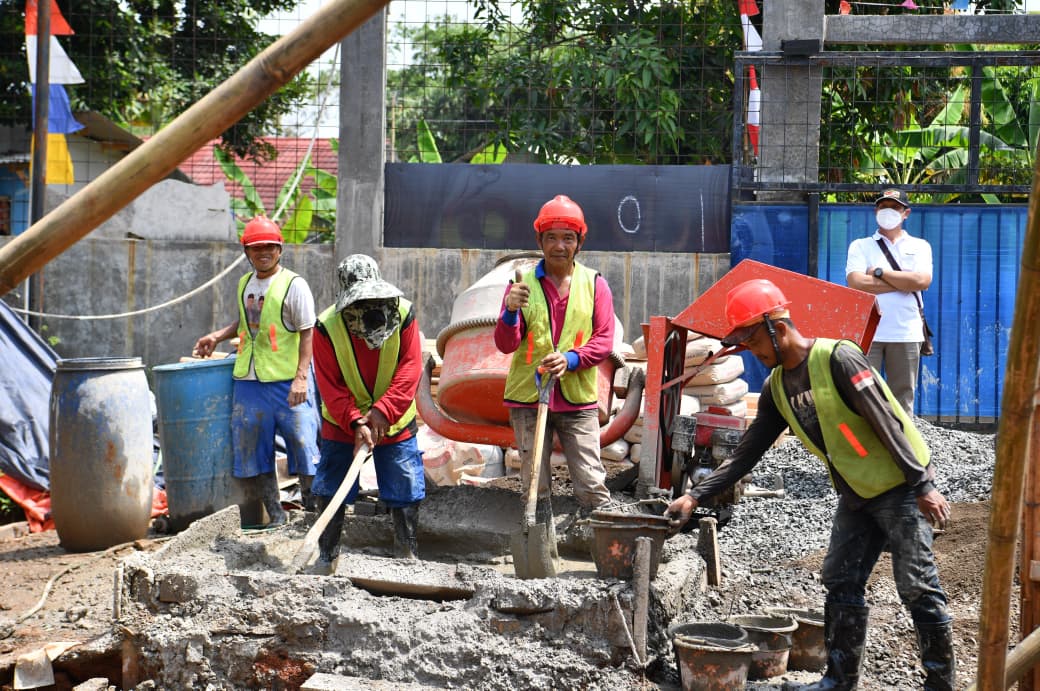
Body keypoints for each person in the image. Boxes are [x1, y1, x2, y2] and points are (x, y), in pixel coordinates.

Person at [665, 278, 954, 691]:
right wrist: (694, 496)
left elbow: (886, 421)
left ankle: (941, 684)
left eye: (753, 341)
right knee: (841, 578)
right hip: (857, 493)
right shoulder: (777, 388)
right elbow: (747, 452)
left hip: (900, 485)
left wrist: (923, 484)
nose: (752, 353)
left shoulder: (839, 358)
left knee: (917, 585)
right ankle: (839, 680)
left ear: (777, 327)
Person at [494, 194, 618, 548]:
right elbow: (505, 344)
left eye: (568, 237)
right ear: (540, 242)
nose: (559, 246)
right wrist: (508, 312)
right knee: (535, 479)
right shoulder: (520, 283)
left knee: (591, 479)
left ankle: (604, 546)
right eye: (551, 237)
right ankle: (541, 548)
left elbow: (604, 340)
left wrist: (571, 359)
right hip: (528, 396)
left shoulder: (595, 284)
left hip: (576, 397)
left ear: (580, 242)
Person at [193, 216, 319, 526]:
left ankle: (312, 516)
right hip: (248, 382)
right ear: (247, 252)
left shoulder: (294, 285)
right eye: (256, 248)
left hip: (287, 381)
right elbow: (247, 322)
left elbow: (307, 332)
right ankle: (276, 518)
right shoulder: (244, 284)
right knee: (253, 449)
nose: (263, 252)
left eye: (269, 247)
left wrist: (302, 377)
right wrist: (217, 336)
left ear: (279, 249)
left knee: (303, 445)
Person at [310, 254, 424, 568]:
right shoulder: (327, 327)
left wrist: (383, 412)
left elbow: (410, 367)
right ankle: (327, 555)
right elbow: (330, 385)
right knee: (331, 486)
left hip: (394, 417)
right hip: (342, 421)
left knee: (403, 483)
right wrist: (356, 420)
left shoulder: (404, 314)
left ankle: (406, 553)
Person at [846, 189, 933, 415]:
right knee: (863, 395)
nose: (888, 212)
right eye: (883, 207)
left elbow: (923, 280)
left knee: (903, 396)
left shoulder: (920, 246)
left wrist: (878, 272)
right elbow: (856, 282)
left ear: (906, 213)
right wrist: (905, 282)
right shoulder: (860, 245)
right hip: (868, 333)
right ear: (876, 211)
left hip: (907, 332)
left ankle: (901, 445)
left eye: (894, 207)